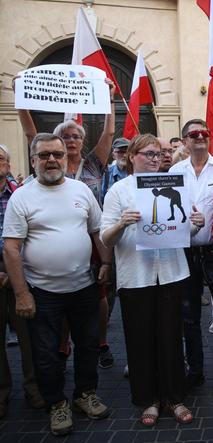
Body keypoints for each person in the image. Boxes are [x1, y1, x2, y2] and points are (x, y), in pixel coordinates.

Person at [3, 133, 112, 436]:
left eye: (57, 154)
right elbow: (11, 248)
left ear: (66, 157)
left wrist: (105, 263)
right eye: (44, 155)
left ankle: (85, 394)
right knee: (47, 353)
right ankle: (57, 404)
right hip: (42, 292)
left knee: (88, 346)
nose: (51, 160)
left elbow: (96, 231)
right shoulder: (22, 196)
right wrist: (22, 293)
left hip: (83, 287)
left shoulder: (81, 190)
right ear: (34, 159)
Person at [16, 77, 117, 370]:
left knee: (98, 294)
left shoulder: (94, 164)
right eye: (67, 137)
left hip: (91, 236)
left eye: (76, 137)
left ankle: (100, 341)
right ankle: (63, 342)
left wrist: (109, 99)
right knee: (60, 296)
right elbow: (29, 132)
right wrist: (21, 97)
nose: (72, 141)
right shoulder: (49, 160)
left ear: (83, 142)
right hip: (55, 237)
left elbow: (110, 132)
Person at [100, 133, 201, 427]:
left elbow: (184, 231)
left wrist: (196, 225)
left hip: (170, 271)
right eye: (148, 154)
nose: (155, 159)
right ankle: (149, 399)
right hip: (136, 276)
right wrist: (122, 222)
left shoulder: (173, 183)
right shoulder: (118, 191)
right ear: (132, 156)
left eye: (158, 154)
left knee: (171, 336)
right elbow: (106, 237)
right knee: (141, 339)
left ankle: (174, 396)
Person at [168, 119, 213, 397]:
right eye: (193, 134)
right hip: (184, 251)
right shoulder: (174, 171)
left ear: (209, 138)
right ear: (185, 141)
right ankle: (195, 371)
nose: (199, 137)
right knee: (189, 317)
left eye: (203, 133)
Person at [0, 144, 45, 419]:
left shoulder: (20, 194)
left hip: (20, 267)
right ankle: (2, 393)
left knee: (30, 334)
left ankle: (34, 387)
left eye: (1, 158)